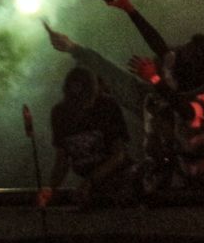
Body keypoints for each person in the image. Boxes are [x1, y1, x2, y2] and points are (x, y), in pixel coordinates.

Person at [102, 0, 204, 189]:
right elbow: (159, 45)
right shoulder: (183, 78)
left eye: (185, 52)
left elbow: (187, 113)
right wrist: (130, 9)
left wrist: (155, 79)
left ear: (195, 66)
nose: (175, 54)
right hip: (191, 185)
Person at [36, 67, 135, 207]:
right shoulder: (60, 113)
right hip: (92, 186)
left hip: (122, 181)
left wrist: (90, 181)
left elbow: (119, 155)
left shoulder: (108, 106)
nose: (82, 106)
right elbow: (62, 161)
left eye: (86, 99)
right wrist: (51, 189)